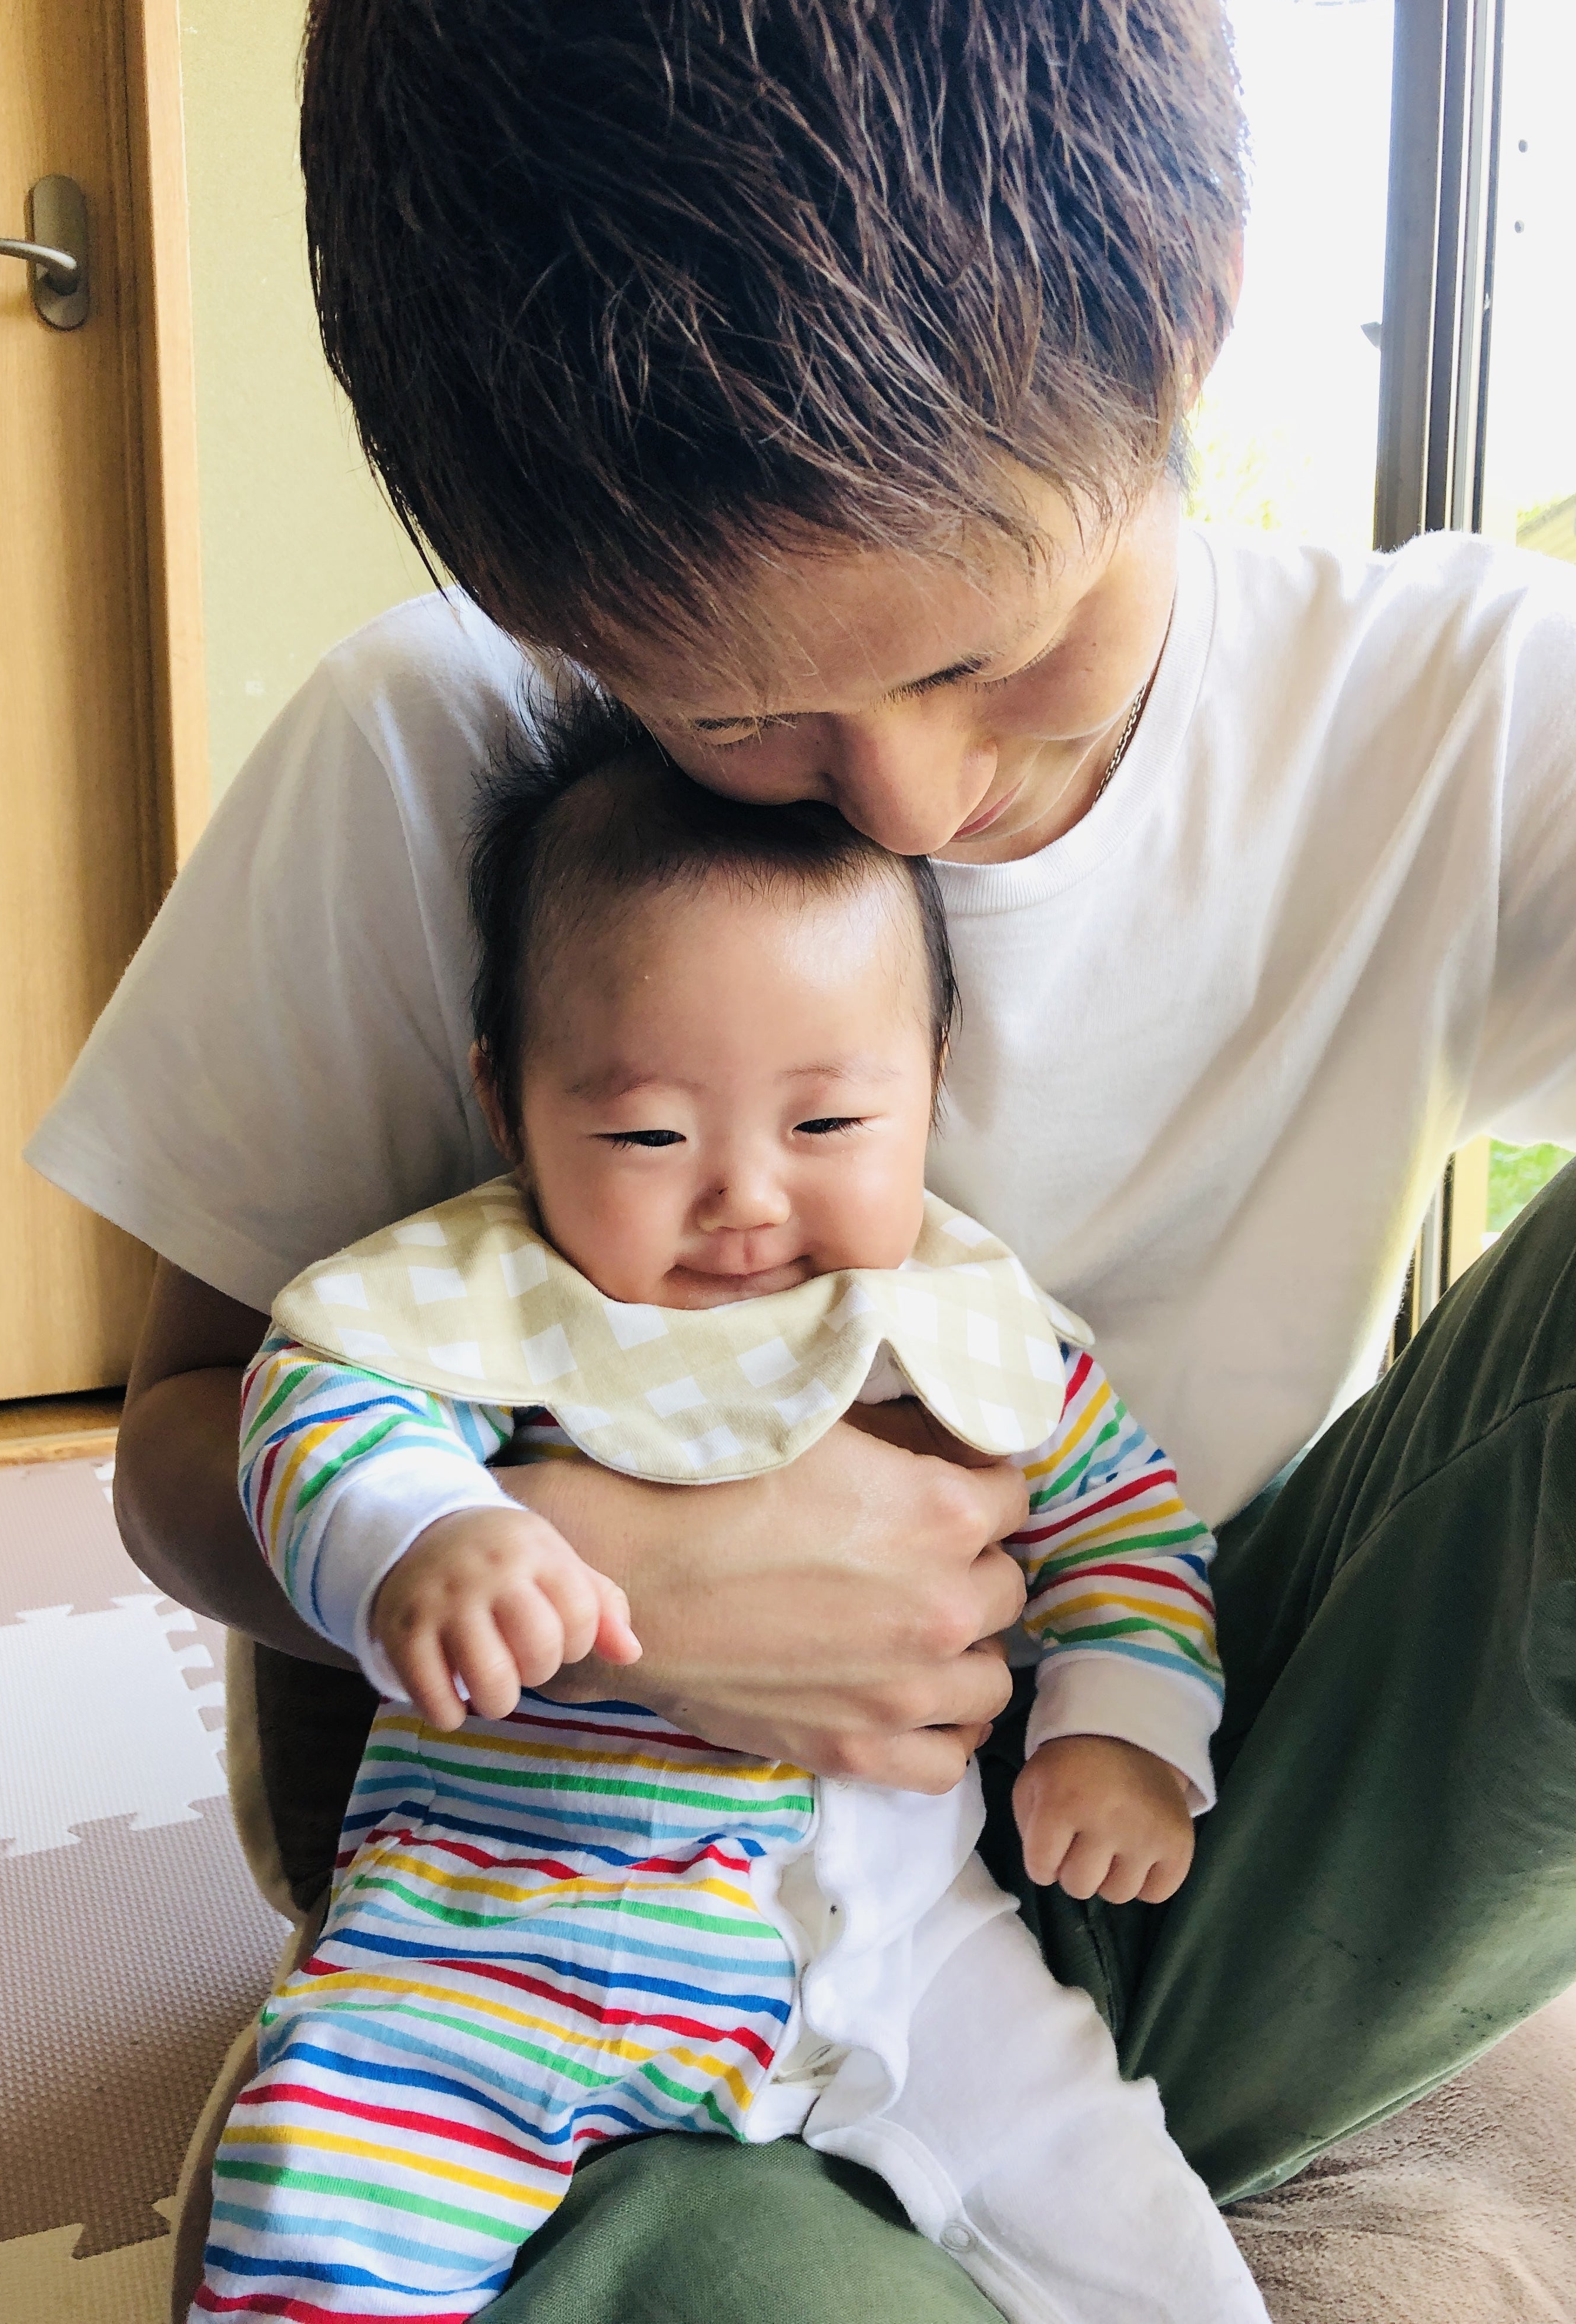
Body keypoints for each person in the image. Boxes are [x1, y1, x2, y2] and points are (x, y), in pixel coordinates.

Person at [26, 0, 1576, 2315]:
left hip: (1192, 1777)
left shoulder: (1461, 713)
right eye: (731, 710)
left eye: (983, 652)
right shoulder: (439, 738)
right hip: (590, 1908)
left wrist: (1125, 1698)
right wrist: (588, 1581)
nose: (908, 802)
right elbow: (174, 1445)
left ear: (1191, 309)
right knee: (703, 2280)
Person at [196, 704, 1264, 2321]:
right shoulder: (490, 1294)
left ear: (933, 1085)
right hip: (487, 1933)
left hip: (904, 1948)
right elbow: (317, 1413)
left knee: (1113, 2196)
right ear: (508, 1102)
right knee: (323, 2186)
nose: (747, 1198)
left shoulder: (965, 1321)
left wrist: (1122, 1725)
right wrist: (426, 1533)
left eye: (828, 1125)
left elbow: (1125, 1526)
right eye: (648, 1133)